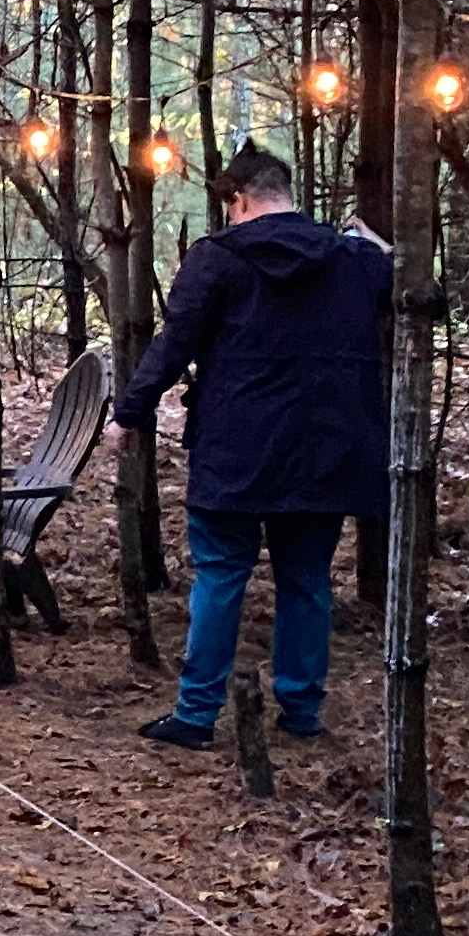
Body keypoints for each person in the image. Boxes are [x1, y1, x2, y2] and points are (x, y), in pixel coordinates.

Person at [112, 139, 392, 750]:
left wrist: (131, 410)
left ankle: (195, 715)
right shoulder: (353, 260)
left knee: (218, 576)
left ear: (239, 201)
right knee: (306, 580)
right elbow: (426, 301)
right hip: (325, 450)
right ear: (288, 196)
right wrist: (381, 249)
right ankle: (300, 712)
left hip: (234, 448)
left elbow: (175, 342)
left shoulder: (217, 259)